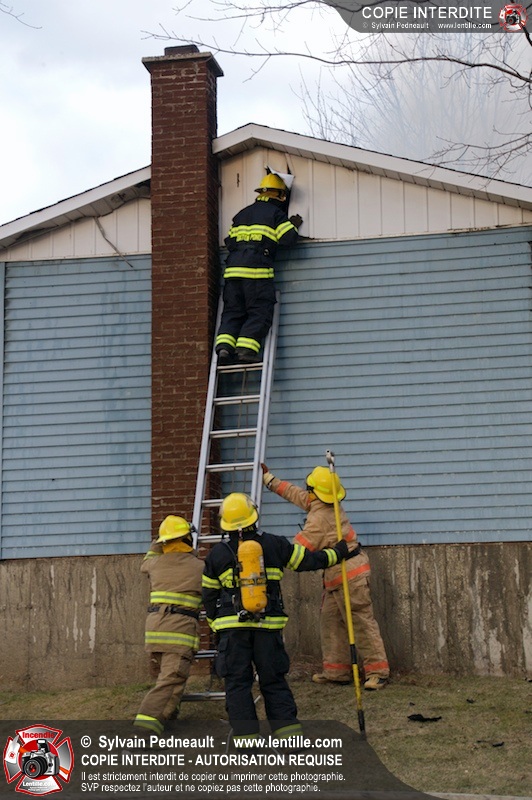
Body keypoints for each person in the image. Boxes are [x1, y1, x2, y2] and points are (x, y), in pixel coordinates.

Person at [201, 492, 356, 746]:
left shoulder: (216, 554)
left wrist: (216, 625)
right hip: (267, 628)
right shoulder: (274, 544)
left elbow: (208, 596)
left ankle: (247, 743)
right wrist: (337, 553)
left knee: (237, 685)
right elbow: (307, 561)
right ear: (254, 517)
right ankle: (289, 738)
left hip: (232, 632)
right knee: (273, 681)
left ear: (225, 523)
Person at [262, 464, 390, 691]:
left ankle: (378, 673)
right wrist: (270, 480)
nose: (305, 491)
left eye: (308, 488)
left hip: (349, 577)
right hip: (337, 577)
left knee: (361, 624)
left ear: (315, 491)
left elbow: (297, 551)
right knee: (331, 623)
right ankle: (337, 672)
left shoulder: (320, 520)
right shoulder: (324, 503)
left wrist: (271, 551)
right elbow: (296, 494)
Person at [215, 174, 303, 365]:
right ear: (279, 195)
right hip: (256, 274)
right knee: (259, 311)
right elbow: (288, 239)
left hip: (232, 274)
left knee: (233, 312)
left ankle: (224, 348)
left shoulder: (241, 215)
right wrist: (293, 225)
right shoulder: (275, 214)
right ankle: (245, 350)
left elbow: (230, 242)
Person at [134, 516, 204, 735]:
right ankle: (144, 734)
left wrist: (160, 539)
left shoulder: (153, 564)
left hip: (155, 631)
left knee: (166, 681)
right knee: (170, 682)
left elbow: (149, 556)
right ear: (187, 538)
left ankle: (167, 723)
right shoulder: (199, 567)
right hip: (179, 633)